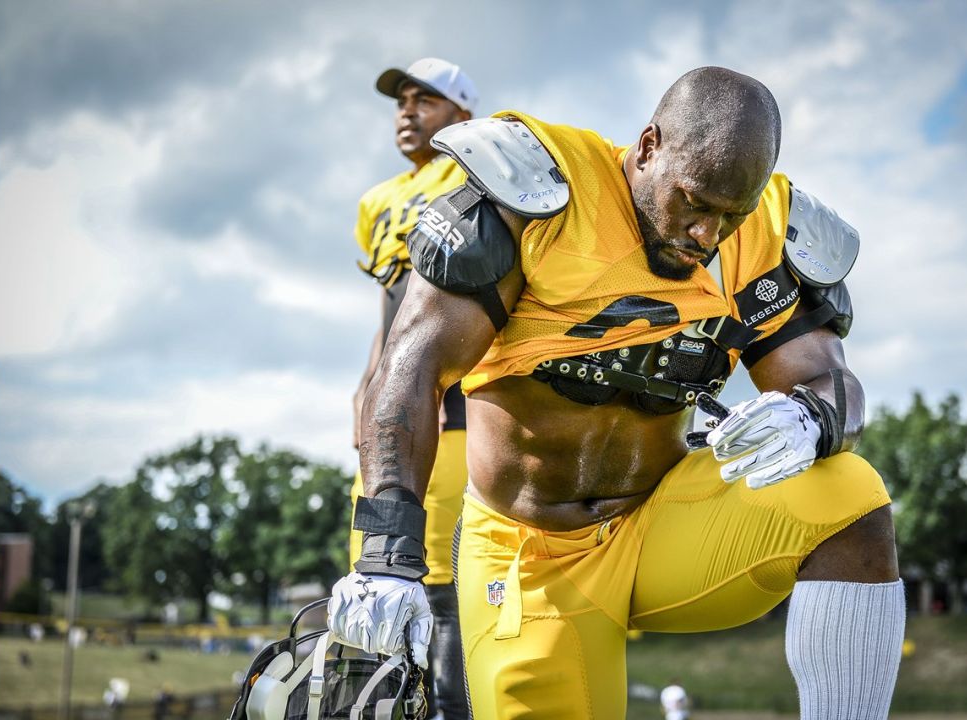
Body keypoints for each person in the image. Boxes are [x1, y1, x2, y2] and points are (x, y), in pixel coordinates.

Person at [331, 66, 905, 719]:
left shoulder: (764, 229)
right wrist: (386, 553)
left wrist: (809, 417)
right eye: (694, 202)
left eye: (731, 214)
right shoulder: (540, 190)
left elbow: (828, 377)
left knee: (850, 495)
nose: (708, 236)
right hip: (533, 552)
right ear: (649, 145)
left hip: (660, 520)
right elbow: (413, 364)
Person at [346, 56, 477, 720]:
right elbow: (388, 310)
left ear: (463, 115)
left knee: (441, 588)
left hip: (453, 415)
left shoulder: (482, 171)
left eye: (426, 100)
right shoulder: (376, 202)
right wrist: (368, 390)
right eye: (401, 100)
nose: (406, 110)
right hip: (389, 420)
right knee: (370, 584)